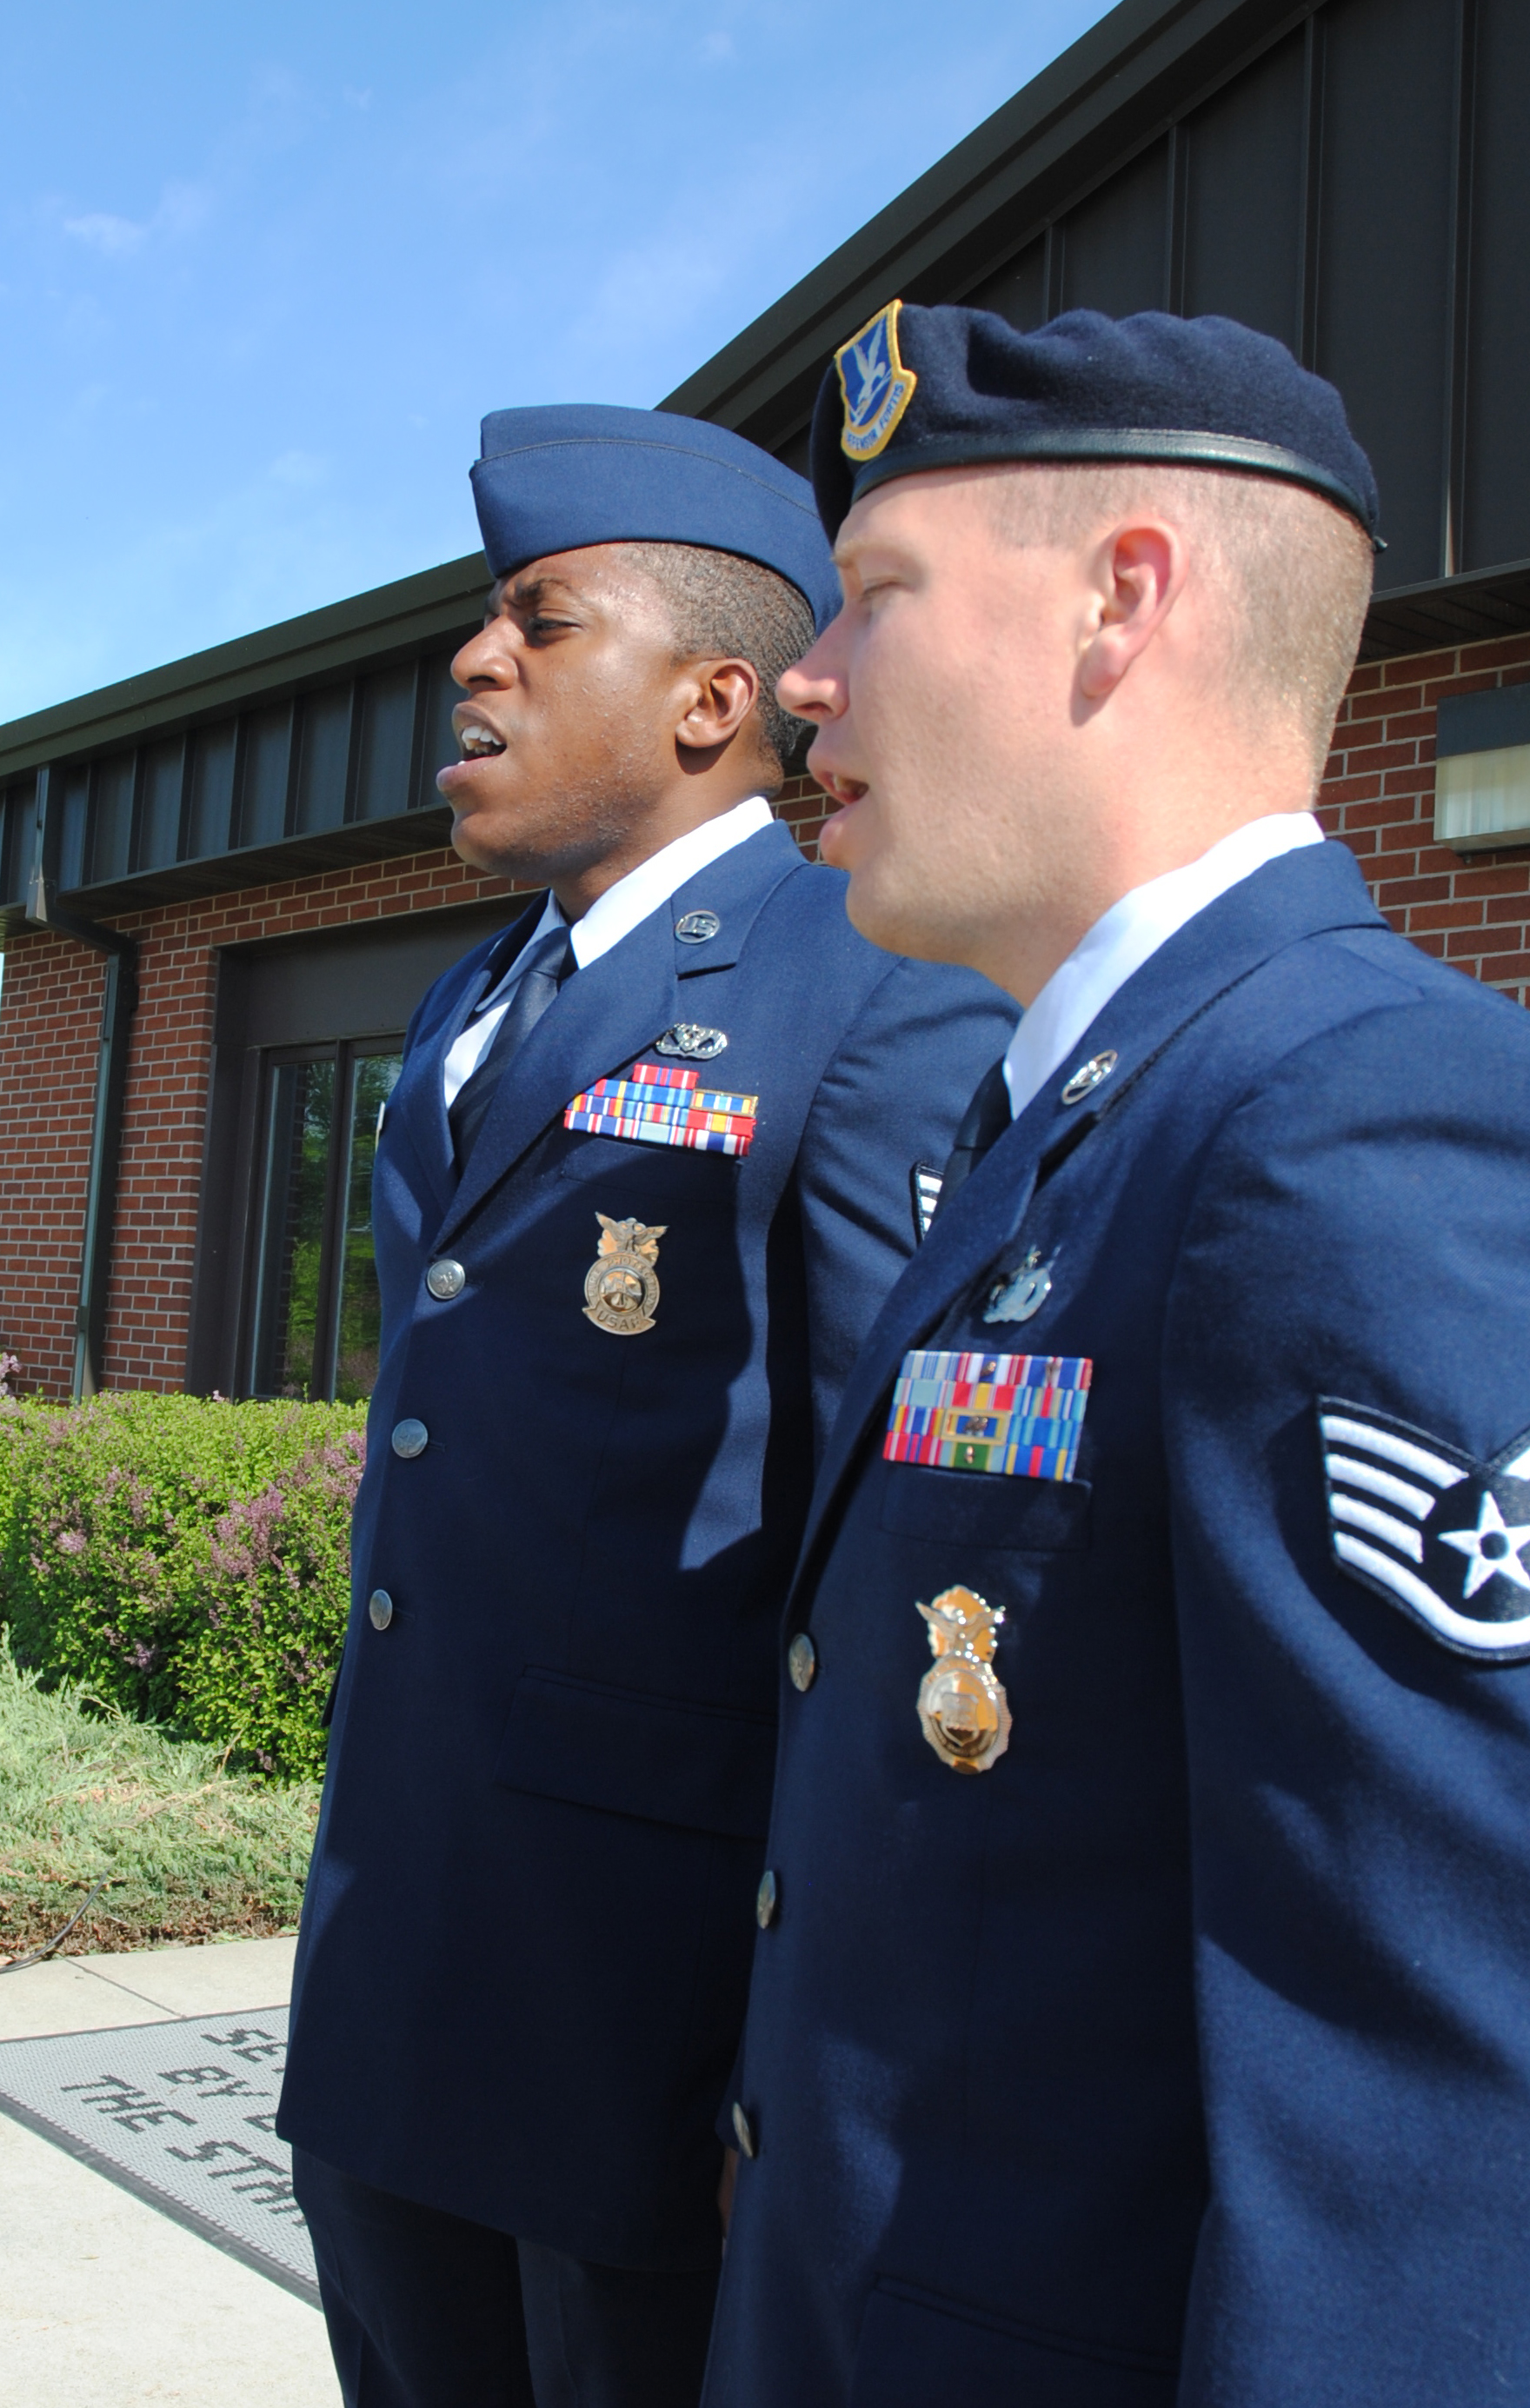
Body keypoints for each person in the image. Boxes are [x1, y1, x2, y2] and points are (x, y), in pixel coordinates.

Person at [702, 305, 1530, 2407]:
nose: (810, 681)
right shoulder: (1080, 1115)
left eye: (878, 591)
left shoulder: (1359, 1122)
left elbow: (1460, 2128)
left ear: (1123, 599)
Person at [276, 402, 1015, 2408]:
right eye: (481, 619)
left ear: (711, 697)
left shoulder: (864, 977)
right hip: (404, 1954)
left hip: (645, 2015)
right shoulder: (473, 996)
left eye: (539, 616)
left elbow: (901, 1558)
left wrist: (807, 2047)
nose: (472, 661)